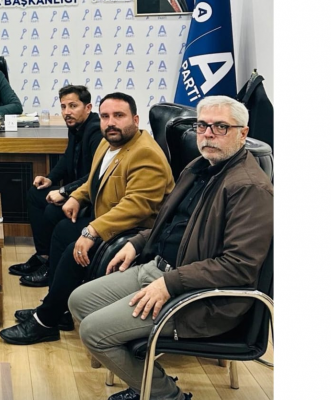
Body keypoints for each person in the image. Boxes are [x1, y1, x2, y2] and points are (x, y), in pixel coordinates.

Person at [69, 96, 273, 400]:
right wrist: (138, 243)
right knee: (79, 302)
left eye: (220, 127)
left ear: (242, 133)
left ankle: (166, 395)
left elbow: (238, 266)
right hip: (159, 268)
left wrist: (169, 284)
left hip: (200, 298)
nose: (208, 134)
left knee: (94, 333)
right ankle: (146, 381)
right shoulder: (199, 167)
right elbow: (173, 224)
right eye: (202, 126)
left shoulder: (249, 187)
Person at [0, 92, 173, 345]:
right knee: (62, 230)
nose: (111, 122)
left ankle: (45, 322)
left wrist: (92, 230)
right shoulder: (108, 143)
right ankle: (58, 309)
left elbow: (137, 206)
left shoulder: (145, 153)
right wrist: (77, 197)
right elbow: (94, 180)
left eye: (119, 116)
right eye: (105, 116)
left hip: (134, 231)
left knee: (75, 248)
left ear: (135, 120)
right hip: (107, 219)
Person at [12, 85, 103, 288]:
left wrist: (65, 191)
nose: (66, 112)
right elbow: (67, 158)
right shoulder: (75, 127)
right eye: (63, 107)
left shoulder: (96, 131)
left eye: (73, 106)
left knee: (53, 211)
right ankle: (43, 256)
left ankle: (52, 267)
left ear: (88, 107)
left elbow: (95, 175)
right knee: (36, 194)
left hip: (89, 195)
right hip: (75, 190)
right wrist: (50, 179)